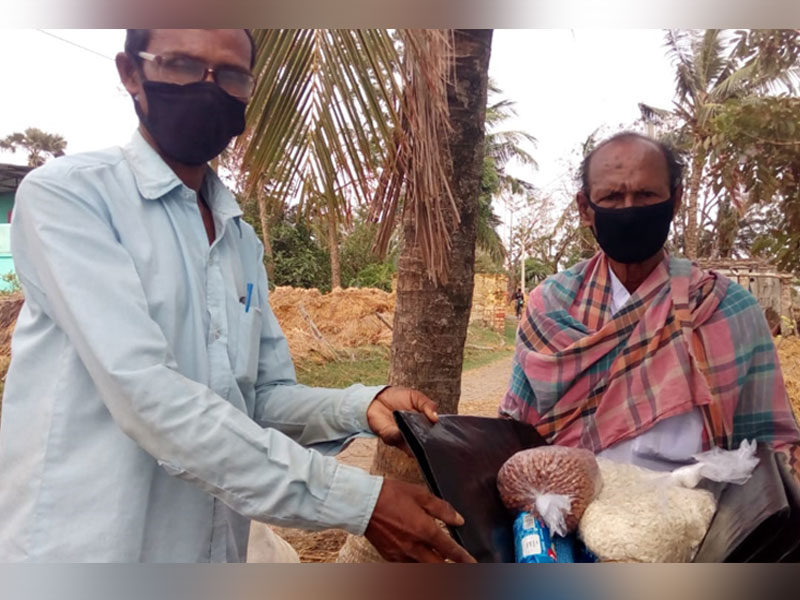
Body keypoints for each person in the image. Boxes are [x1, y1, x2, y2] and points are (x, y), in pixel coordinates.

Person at [0, 29, 474, 563]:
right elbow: (149, 397)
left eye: (229, 75)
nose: (208, 89)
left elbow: (258, 399)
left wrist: (359, 406)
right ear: (131, 72)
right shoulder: (71, 196)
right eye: (181, 65)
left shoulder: (239, 239)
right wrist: (358, 502)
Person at [500, 132, 800, 475]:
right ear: (585, 209)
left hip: (703, 505)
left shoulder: (728, 309)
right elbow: (514, 435)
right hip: (569, 502)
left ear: (675, 200)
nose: (629, 210)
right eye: (612, 197)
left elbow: (772, 446)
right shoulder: (550, 305)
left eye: (645, 194)